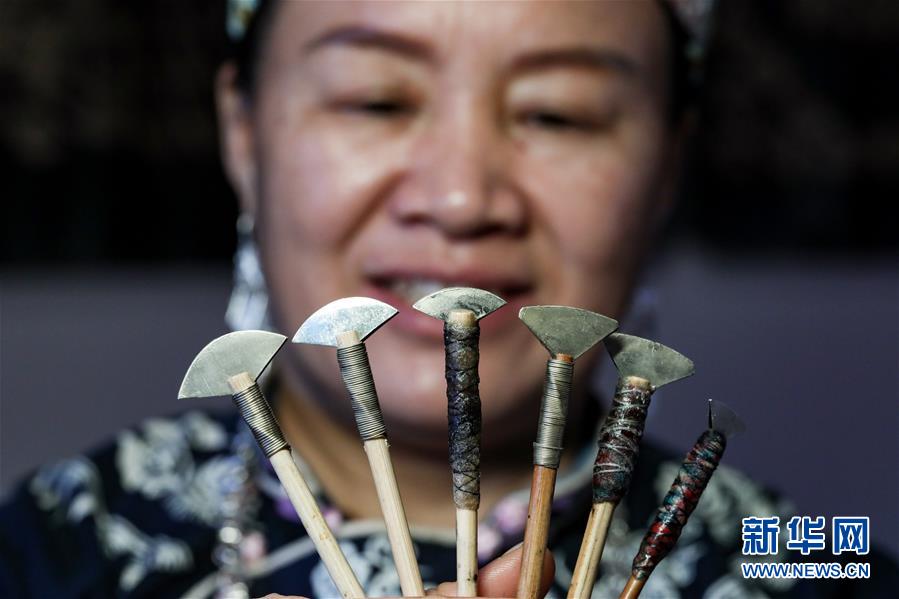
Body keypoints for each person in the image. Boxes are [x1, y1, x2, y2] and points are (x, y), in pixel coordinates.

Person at [1, 1, 894, 598]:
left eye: (558, 112)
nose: (462, 197)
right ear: (242, 133)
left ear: (667, 165)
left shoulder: (816, 557)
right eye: (375, 100)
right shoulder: (44, 546)